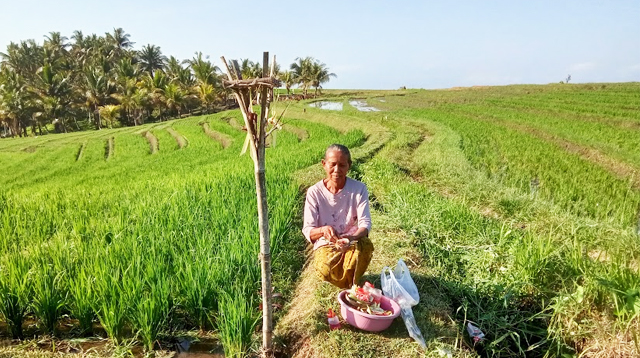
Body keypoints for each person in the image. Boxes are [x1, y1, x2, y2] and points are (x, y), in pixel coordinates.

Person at [302, 144, 374, 289]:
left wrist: (351, 238)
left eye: (342, 165)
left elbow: (365, 224)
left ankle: (351, 283)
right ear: (324, 164)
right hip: (326, 243)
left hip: (350, 241)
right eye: (332, 164)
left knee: (366, 247)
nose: (336, 170)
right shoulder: (314, 192)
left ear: (349, 166)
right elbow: (308, 229)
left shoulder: (359, 189)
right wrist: (323, 230)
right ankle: (345, 283)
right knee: (325, 269)